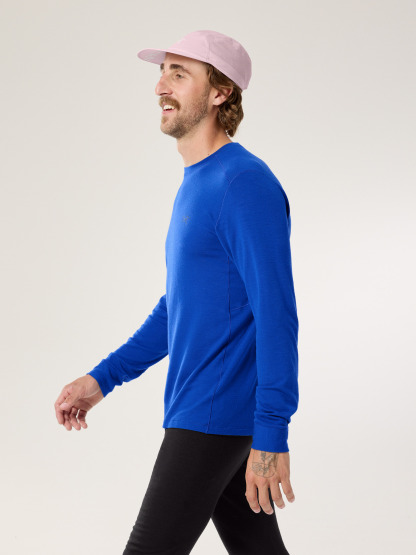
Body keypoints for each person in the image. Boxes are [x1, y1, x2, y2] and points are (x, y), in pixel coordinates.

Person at [54, 29, 299, 555]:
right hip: (205, 410)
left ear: (220, 92)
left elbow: (276, 313)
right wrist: (102, 379)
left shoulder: (243, 183)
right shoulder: (198, 182)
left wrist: (272, 431)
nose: (161, 86)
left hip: (213, 414)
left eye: (180, 74)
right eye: (162, 71)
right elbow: (179, 309)